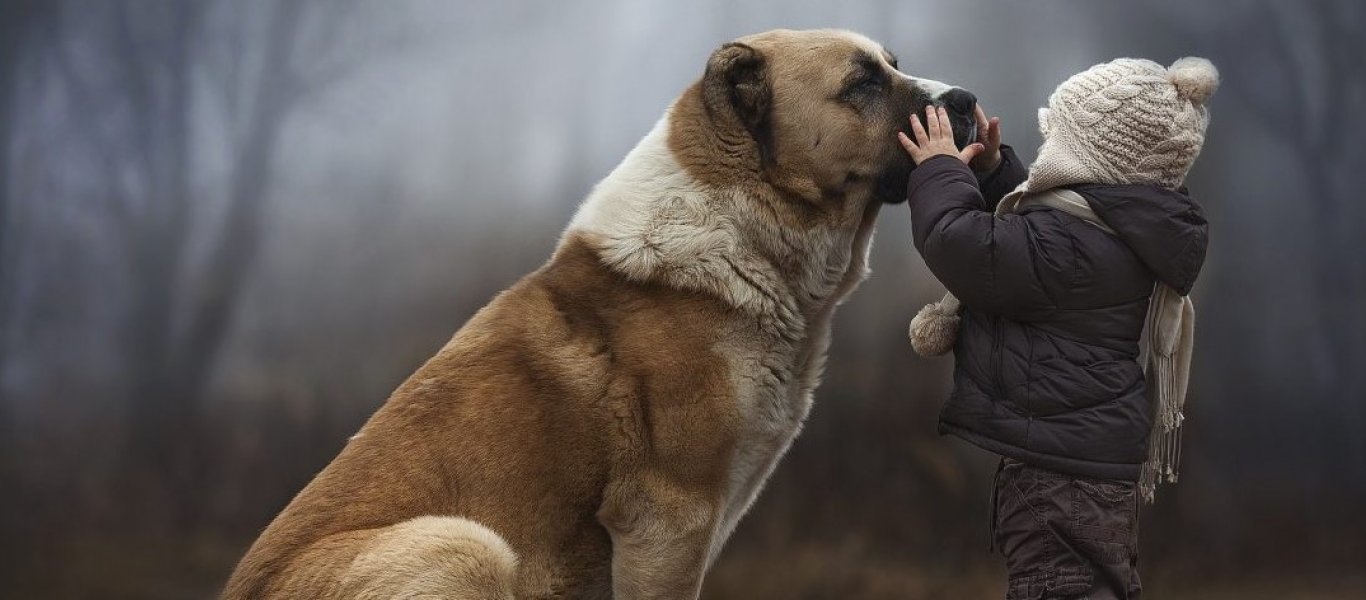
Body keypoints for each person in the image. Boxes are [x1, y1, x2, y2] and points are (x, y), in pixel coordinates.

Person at [895, 57, 1218, 599]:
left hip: (1057, 481)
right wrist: (996, 171)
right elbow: (1040, 235)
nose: (1049, 150)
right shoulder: (1110, 232)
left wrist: (938, 169)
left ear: (1087, 157)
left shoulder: (1068, 250)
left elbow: (963, 243)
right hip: (1085, 469)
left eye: (1058, 136)